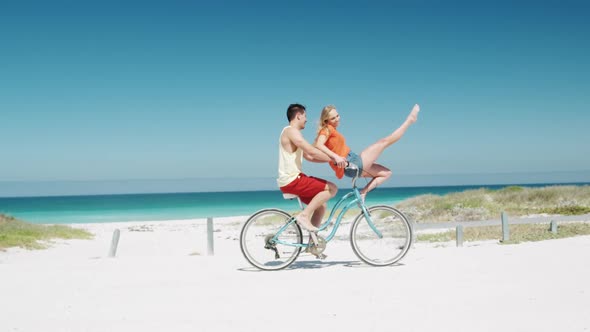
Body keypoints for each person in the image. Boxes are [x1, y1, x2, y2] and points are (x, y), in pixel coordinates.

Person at [314, 104, 420, 201]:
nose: (337, 119)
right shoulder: (327, 129)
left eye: (337, 116)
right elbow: (319, 144)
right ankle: (409, 120)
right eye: (333, 118)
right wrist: (336, 157)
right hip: (352, 163)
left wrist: (334, 158)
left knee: (386, 173)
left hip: (351, 163)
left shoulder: (332, 130)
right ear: (326, 120)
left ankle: (363, 193)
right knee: (384, 142)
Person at [278, 103, 338, 232]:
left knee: (321, 206)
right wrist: (335, 158)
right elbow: (312, 151)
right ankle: (304, 216)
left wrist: (332, 161)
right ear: (298, 116)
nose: (306, 119)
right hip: (292, 180)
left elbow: (310, 157)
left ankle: (313, 244)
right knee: (332, 188)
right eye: (305, 116)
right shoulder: (290, 131)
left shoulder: (295, 134)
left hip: (293, 180)